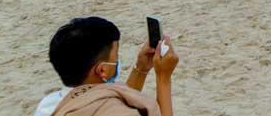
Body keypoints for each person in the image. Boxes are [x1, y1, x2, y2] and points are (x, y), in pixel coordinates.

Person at [35, 16, 178, 116]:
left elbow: (113, 97)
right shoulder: (114, 112)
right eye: (116, 56)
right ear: (102, 70)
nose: (117, 61)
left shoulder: (48, 106)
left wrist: (141, 69)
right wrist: (163, 78)